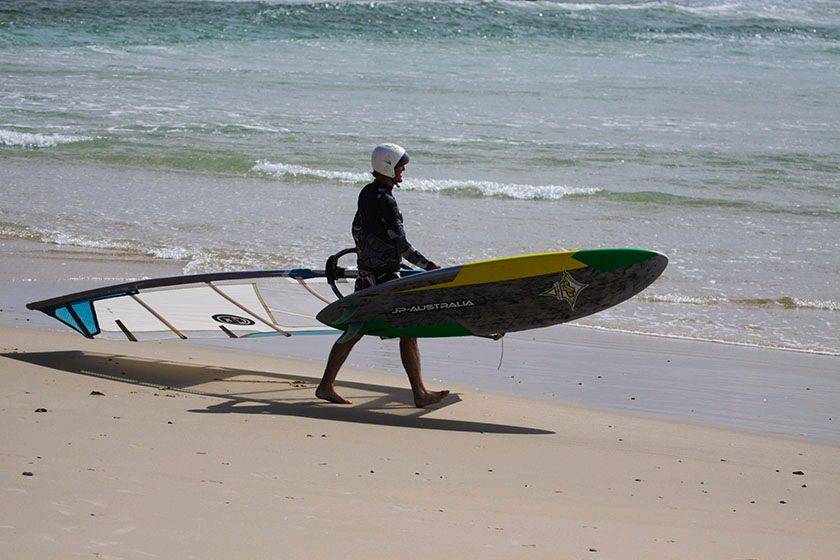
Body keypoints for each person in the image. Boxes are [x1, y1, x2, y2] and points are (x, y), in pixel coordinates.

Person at [316, 143, 450, 408]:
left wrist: (366, 256)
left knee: (355, 329)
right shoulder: (386, 201)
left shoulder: (367, 193)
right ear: (388, 166)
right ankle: (420, 393)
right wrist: (429, 267)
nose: (404, 170)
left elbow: (358, 230)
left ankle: (325, 385)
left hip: (367, 275)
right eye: (401, 165)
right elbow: (401, 243)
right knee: (408, 328)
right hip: (384, 278)